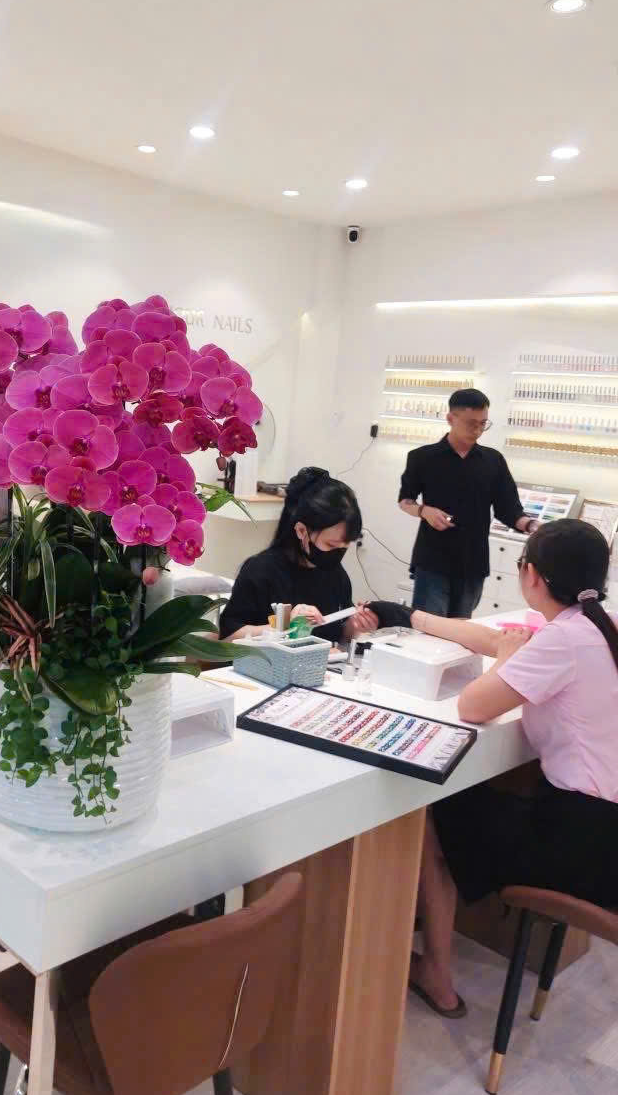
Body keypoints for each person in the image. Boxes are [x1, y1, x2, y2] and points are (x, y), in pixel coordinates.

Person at [368, 519, 618, 1018]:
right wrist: (414, 617)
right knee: (477, 803)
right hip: (604, 836)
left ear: (532, 576)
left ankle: (437, 973)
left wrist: (504, 659)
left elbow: (473, 706)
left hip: (581, 845)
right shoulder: (597, 624)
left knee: (436, 812)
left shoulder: (562, 642)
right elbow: (494, 638)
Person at [398, 388, 536, 618]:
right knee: (428, 628)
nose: (478, 430)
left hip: (473, 561)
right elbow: (405, 501)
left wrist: (531, 526)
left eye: (483, 424)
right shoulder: (422, 457)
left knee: (462, 628)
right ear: (450, 418)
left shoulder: (493, 460)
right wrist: (424, 511)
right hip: (433, 558)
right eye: (471, 423)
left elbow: (508, 508)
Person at [219, 467, 379, 643]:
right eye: (331, 545)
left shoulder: (335, 574)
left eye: (345, 546)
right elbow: (227, 637)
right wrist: (283, 626)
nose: (338, 553)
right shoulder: (261, 571)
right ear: (301, 530)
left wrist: (356, 626)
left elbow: (338, 636)